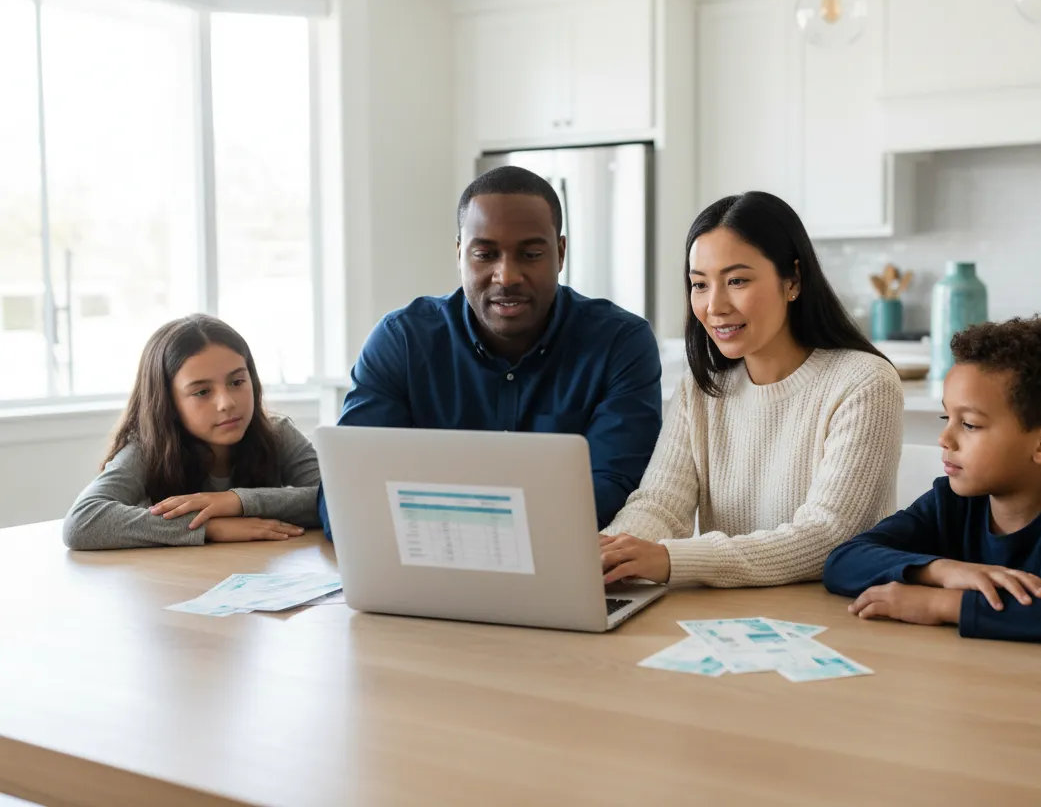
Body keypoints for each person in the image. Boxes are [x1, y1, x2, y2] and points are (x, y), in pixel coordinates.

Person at [318, 165, 662, 538]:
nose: (507, 276)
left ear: (560, 254)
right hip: (429, 568)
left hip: (556, 570)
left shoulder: (620, 342)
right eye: (485, 254)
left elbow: (615, 490)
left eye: (530, 254)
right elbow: (343, 496)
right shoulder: (401, 340)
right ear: (460, 254)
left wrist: (446, 523)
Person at [599, 191, 903, 587]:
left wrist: (672, 559)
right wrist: (610, 552)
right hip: (728, 620)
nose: (715, 306)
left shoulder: (864, 382)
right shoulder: (702, 386)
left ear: (793, 280)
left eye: (737, 280)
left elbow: (827, 535)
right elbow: (660, 505)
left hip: (832, 620)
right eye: (699, 285)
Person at [823, 316, 1041, 647]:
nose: (944, 438)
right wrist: (942, 571)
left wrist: (941, 604)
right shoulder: (949, 503)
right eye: (948, 417)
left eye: (971, 424)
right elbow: (843, 561)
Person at [63, 315, 321, 550]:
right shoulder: (146, 449)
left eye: (237, 382)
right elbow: (82, 521)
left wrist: (234, 502)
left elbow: (335, 497)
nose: (227, 403)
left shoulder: (278, 433)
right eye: (202, 392)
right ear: (168, 403)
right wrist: (209, 526)